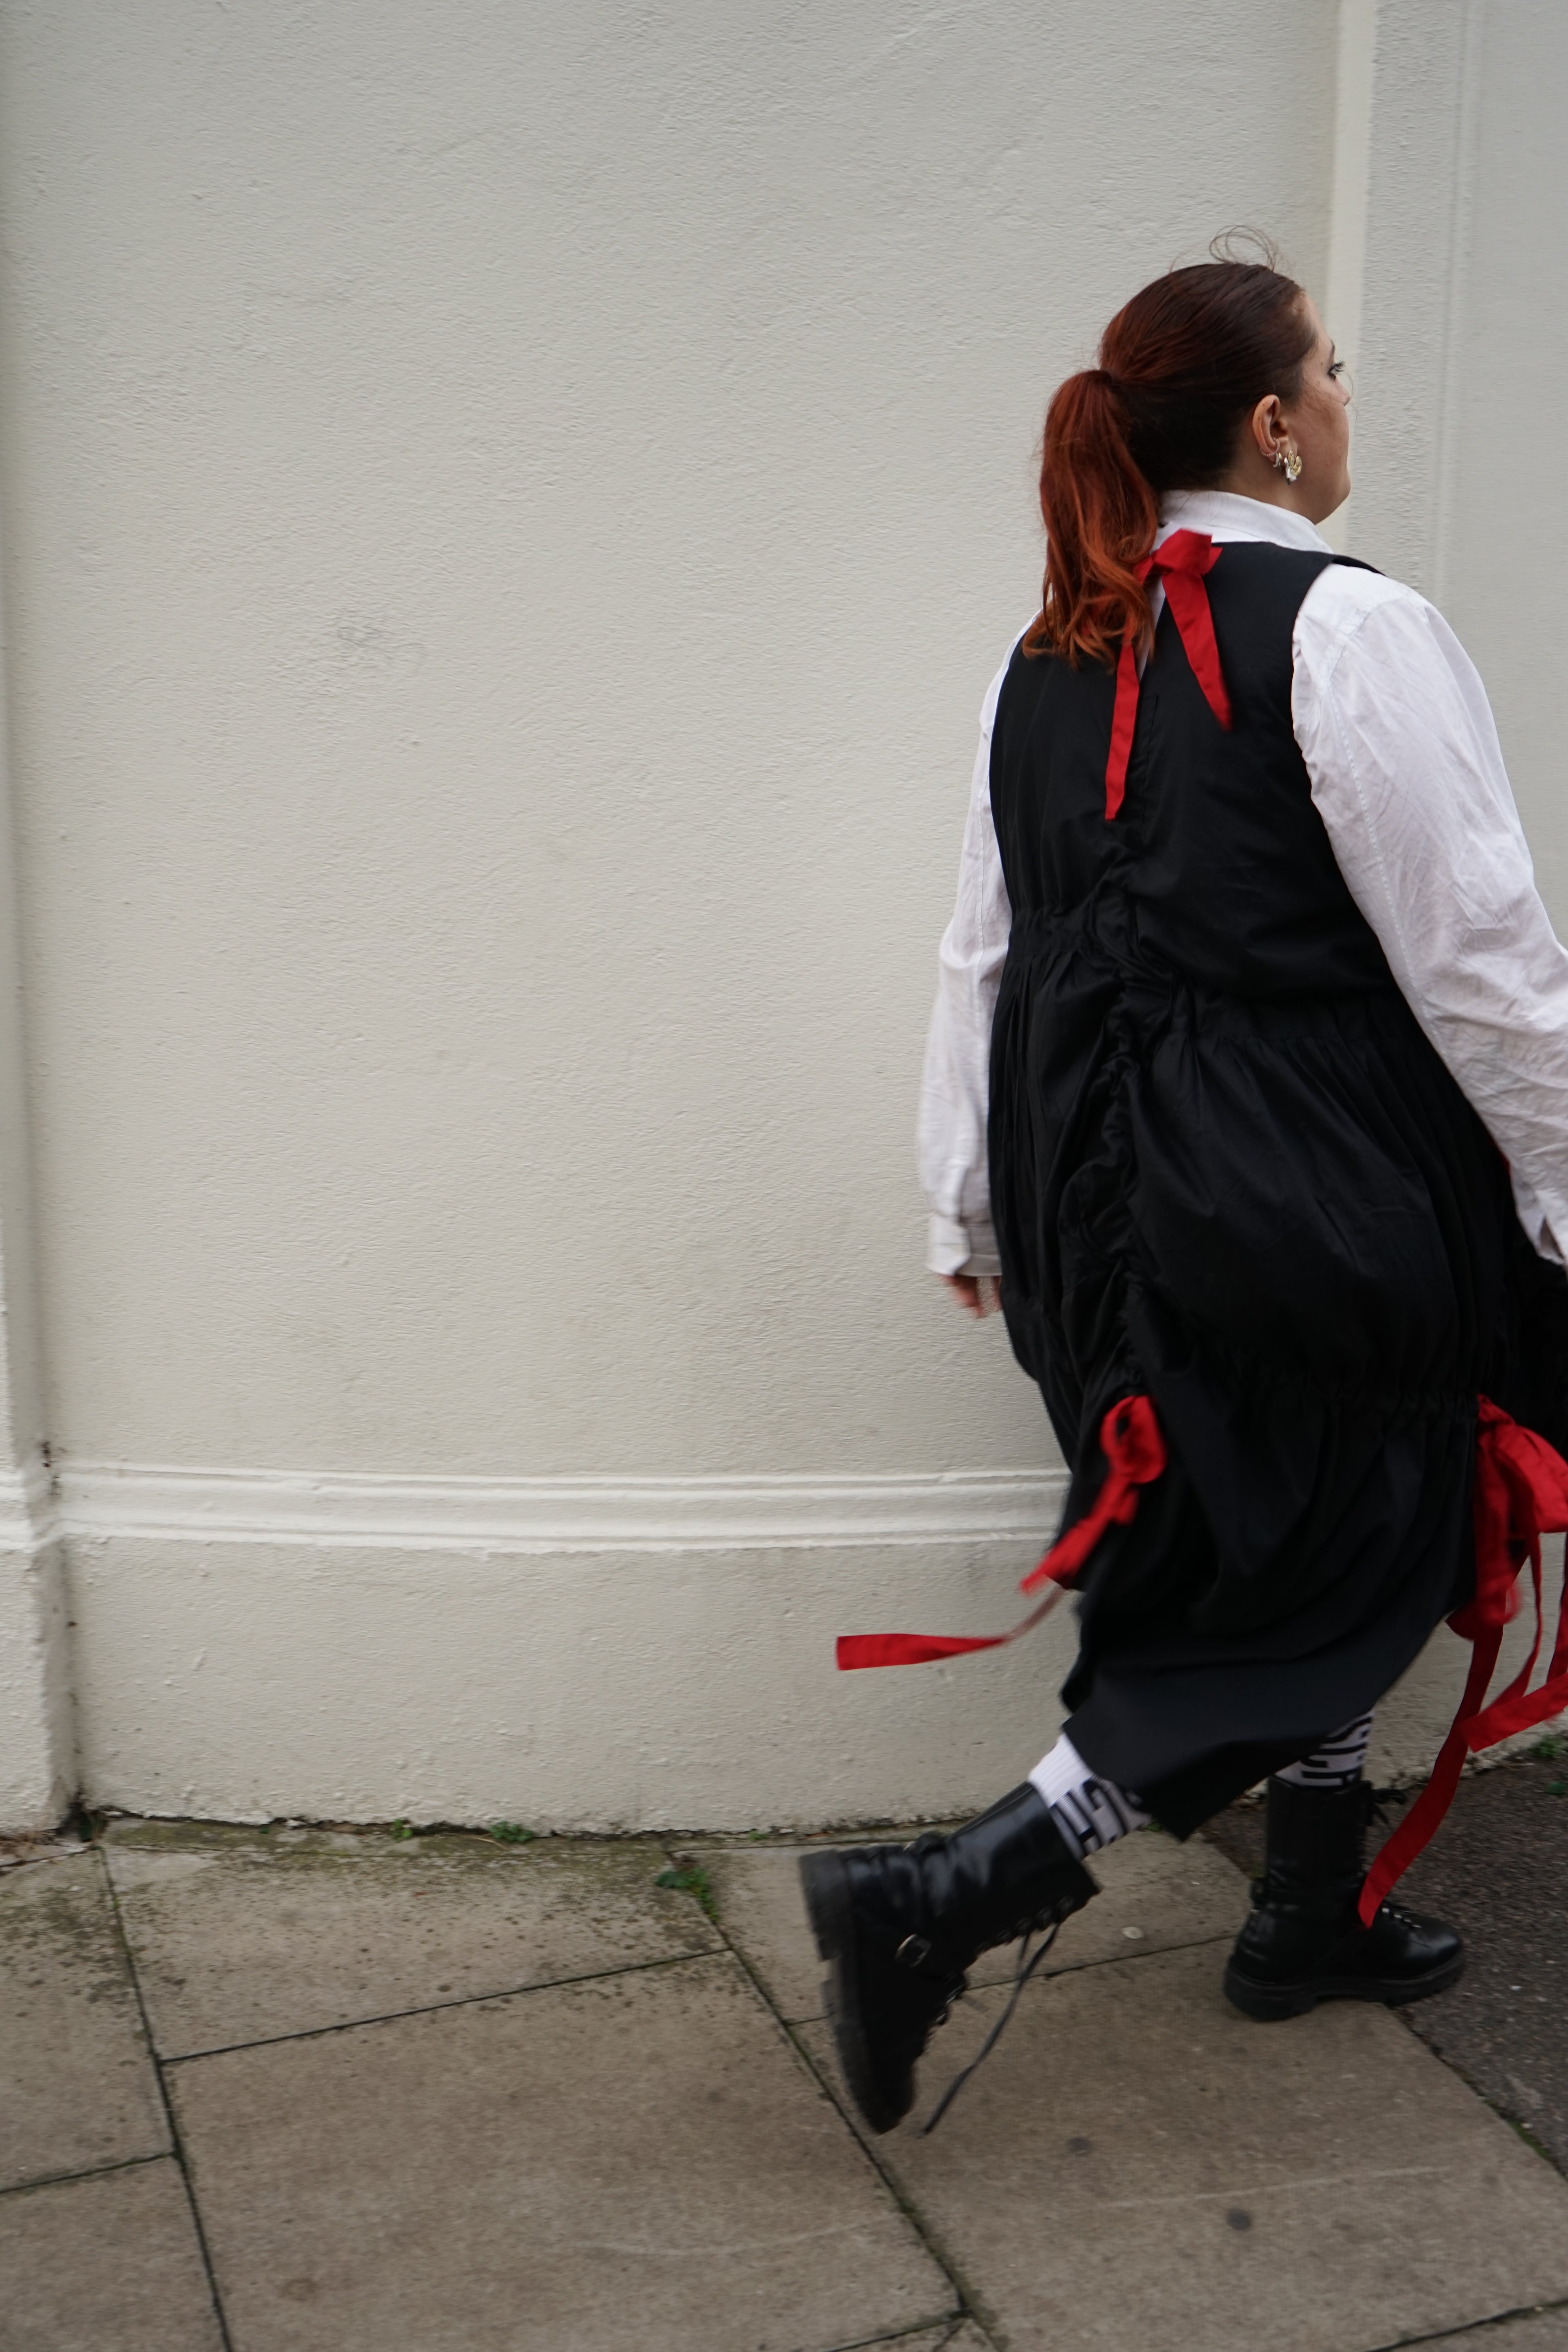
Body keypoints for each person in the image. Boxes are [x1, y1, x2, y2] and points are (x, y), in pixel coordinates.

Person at [800, 248, 1568, 2138]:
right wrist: (1560, 1182)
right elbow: (1478, 961)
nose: (1345, 400)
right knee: (1326, 1566)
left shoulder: (1045, 642)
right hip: (1299, 1179)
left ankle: (1306, 1908)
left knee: (1281, 1544)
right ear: (1276, 419)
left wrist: (960, 1203)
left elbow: (985, 951)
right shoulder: (1357, 630)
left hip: (1093, 1194)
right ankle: (944, 1896)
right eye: (1333, 369)